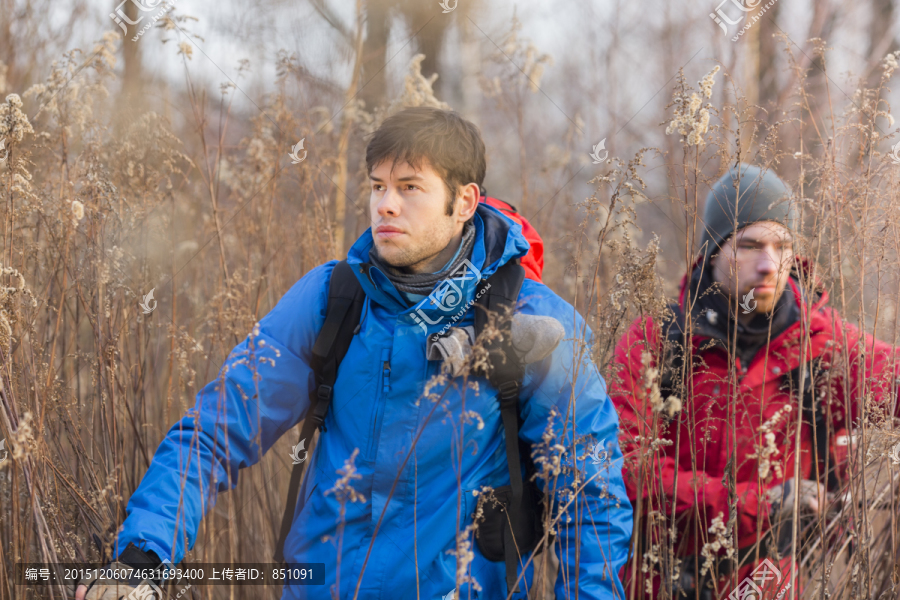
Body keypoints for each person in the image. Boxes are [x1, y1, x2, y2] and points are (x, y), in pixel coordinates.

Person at [77, 106, 633, 599]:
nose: (386, 205)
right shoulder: (332, 299)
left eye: (410, 187)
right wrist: (141, 558)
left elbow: (590, 494)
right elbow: (216, 431)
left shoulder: (539, 321)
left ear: (463, 201)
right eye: (377, 186)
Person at [610, 164, 900, 598]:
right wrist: (759, 504)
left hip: (770, 584)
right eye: (748, 246)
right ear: (713, 251)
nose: (768, 264)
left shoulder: (824, 347)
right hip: (658, 581)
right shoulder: (654, 343)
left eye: (781, 246)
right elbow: (626, 468)